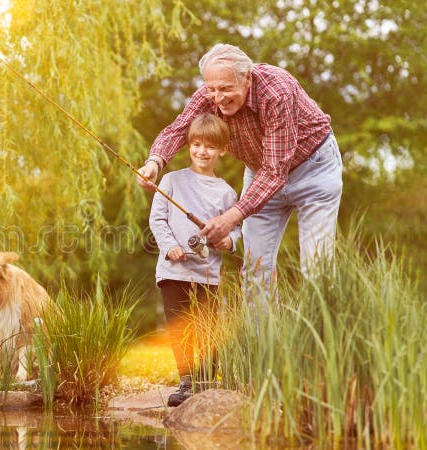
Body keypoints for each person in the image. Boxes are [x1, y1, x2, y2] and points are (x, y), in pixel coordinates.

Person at [138, 43, 342, 302]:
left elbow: (275, 171)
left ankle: (323, 339)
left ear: (247, 78)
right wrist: (155, 162)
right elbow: (179, 129)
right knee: (256, 269)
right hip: (261, 173)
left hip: (314, 170)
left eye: (225, 89)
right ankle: (261, 341)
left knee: (317, 267)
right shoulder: (209, 95)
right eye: (211, 88)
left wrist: (230, 217)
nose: (218, 97)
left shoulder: (276, 92)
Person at [149, 113, 241, 407]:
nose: (202, 151)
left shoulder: (227, 192)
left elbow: (237, 228)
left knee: (207, 327)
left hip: (207, 273)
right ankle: (187, 382)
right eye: (197, 144)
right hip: (173, 271)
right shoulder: (172, 180)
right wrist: (170, 246)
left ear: (223, 150)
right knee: (180, 325)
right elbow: (157, 219)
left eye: (210, 147)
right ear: (188, 145)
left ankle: (206, 382)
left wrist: (229, 241)